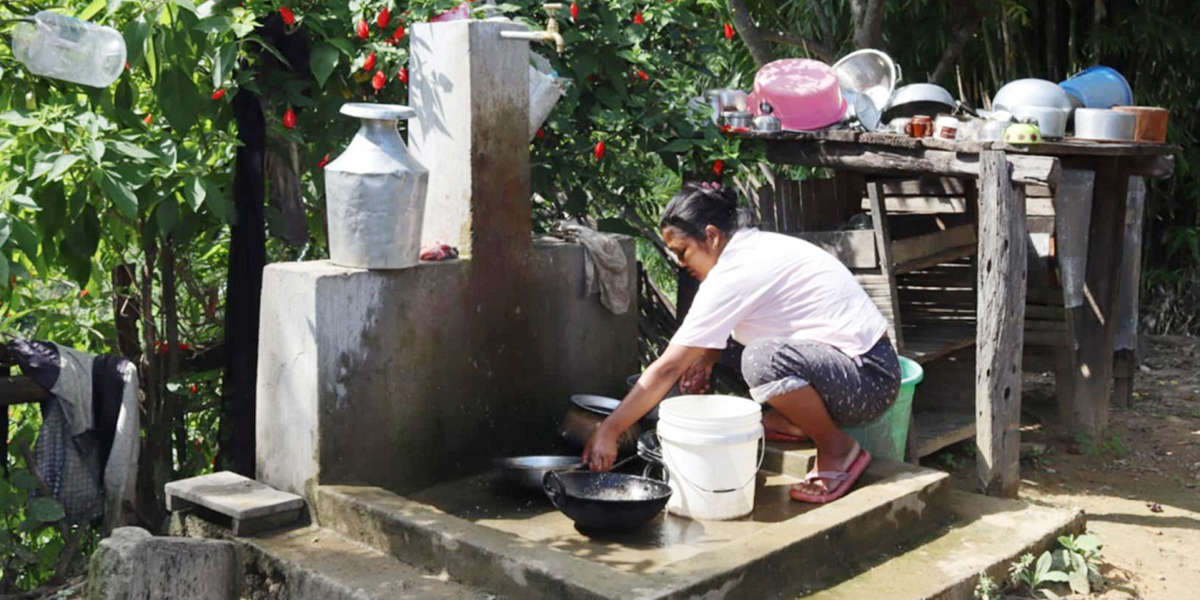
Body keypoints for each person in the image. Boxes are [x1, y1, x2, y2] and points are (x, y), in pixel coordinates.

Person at [583, 181, 901, 503]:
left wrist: (610, 430)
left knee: (761, 361)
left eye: (682, 252)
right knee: (716, 348)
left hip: (868, 381)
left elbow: (668, 369)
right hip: (847, 368)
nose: (680, 263)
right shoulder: (748, 248)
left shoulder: (735, 272)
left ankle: (838, 450)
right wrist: (707, 357)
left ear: (711, 236)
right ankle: (797, 421)